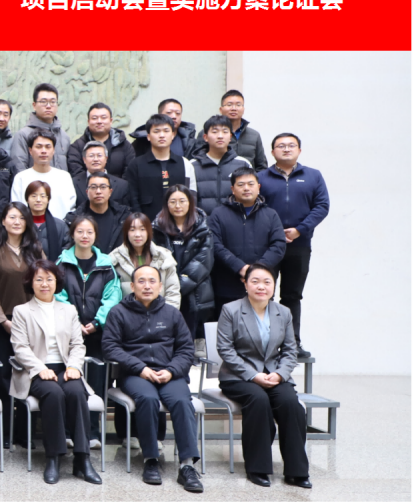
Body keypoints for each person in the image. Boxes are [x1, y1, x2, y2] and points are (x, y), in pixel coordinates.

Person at [102, 265, 203, 493]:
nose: (147, 286)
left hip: (169, 373)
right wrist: (140, 368)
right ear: (132, 285)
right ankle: (150, 459)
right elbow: (110, 347)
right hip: (135, 374)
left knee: (181, 401)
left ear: (160, 285)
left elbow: (186, 349)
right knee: (147, 399)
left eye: (152, 281)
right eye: (141, 281)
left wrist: (172, 370)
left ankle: (187, 466)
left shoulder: (172, 313)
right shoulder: (118, 312)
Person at [215, 264, 311, 489]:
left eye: (267, 282)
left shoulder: (283, 312)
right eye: (255, 281)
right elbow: (225, 350)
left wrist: (279, 374)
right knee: (258, 400)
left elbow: (290, 350)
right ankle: (257, 468)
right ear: (245, 284)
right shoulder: (231, 310)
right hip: (238, 376)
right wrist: (253, 375)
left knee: (291, 404)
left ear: (274, 286)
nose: (261, 286)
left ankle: (297, 471)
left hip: (274, 375)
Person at [10, 259, 103, 485]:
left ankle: (82, 459)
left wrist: (74, 366)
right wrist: (40, 369)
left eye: (49, 279)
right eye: (39, 279)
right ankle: (53, 457)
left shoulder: (68, 310)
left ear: (56, 282)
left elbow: (78, 344)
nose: (44, 284)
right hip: (35, 370)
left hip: (65, 367)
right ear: (31, 283)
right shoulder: (22, 311)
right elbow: (20, 348)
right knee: (53, 393)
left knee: (76, 392)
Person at [0, 202, 47, 448]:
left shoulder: (36, 251)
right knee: (3, 377)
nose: (17, 221)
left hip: (33, 323)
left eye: (21, 217)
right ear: (3, 221)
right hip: (2, 324)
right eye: (12, 217)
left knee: (29, 374)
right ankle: (1, 433)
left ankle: (25, 433)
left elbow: (45, 284)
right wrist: (4, 321)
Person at [258, 133, 330, 358]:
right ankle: (264, 344)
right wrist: (274, 231)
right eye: (281, 146)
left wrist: (300, 229)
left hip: (299, 245)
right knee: (263, 295)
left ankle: (292, 344)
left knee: (292, 296)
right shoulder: (261, 177)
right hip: (268, 246)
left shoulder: (313, 176)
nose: (286, 149)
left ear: (299, 150)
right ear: (272, 152)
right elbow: (255, 207)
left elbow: (322, 206)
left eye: (291, 145)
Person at [54, 214, 121, 448]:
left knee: (96, 382)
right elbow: (57, 293)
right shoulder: (62, 262)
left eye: (89, 232)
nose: (84, 236)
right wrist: (75, 323)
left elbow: (113, 296)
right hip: (68, 334)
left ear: (95, 235)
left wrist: (97, 322)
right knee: (69, 381)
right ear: (72, 234)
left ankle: (92, 432)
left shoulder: (106, 264)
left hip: (97, 334)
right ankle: (67, 432)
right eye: (80, 231)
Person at [207, 168, 286, 310]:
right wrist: (240, 267)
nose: (246, 188)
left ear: (258, 187)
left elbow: (279, 245)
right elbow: (215, 245)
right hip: (227, 285)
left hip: (261, 288)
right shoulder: (218, 214)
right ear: (232, 189)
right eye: (241, 184)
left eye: (251, 184)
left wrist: (256, 271)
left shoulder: (271, 214)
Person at [153, 186, 214, 358]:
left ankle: (187, 357)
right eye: (172, 201)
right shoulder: (157, 227)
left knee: (189, 325)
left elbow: (204, 260)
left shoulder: (202, 227)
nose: (177, 206)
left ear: (190, 203)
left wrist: (178, 285)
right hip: (165, 286)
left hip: (194, 287)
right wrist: (170, 285)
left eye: (182, 201)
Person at [124, 114, 198, 221]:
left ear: (173, 135)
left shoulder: (185, 163)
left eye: (166, 131)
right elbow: (133, 199)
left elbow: (192, 196)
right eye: (156, 131)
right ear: (148, 136)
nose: (162, 135)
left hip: (179, 224)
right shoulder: (136, 165)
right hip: (147, 224)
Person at [110, 213, 182, 306]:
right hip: (126, 313)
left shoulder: (164, 256)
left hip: (161, 312)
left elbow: (173, 292)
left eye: (142, 229)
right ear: (126, 232)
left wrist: (166, 314)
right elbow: (110, 296)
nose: (137, 234)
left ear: (149, 231)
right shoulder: (114, 258)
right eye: (132, 230)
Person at [192, 115, 253, 215]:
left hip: (235, 221)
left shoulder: (243, 163)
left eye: (225, 131)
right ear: (205, 137)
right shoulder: (193, 165)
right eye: (215, 132)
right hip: (203, 222)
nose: (220, 136)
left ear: (230, 137)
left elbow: (251, 196)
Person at [11, 129, 76, 220]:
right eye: (39, 147)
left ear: (53, 150)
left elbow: (71, 208)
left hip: (60, 227)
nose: (43, 151)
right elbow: (17, 208)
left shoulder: (64, 177)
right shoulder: (21, 177)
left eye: (48, 147)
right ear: (30, 150)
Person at [65, 171, 133, 255]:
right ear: (87, 192)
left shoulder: (124, 216)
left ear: (110, 192)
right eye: (93, 187)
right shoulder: (74, 219)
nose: (98, 191)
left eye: (103, 187)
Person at [10, 83, 70, 171]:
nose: (48, 106)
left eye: (53, 102)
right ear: (34, 105)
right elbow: (19, 168)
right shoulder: (23, 135)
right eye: (43, 102)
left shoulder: (64, 136)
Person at [202, 90, 268, 170]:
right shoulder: (208, 133)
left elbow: (261, 166)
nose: (234, 108)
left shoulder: (254, 135)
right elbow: (200, 159)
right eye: (229, 105)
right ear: (221, 109)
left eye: (238, 105)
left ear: (243, 109)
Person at [67, 103, 135, 179]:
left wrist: (115, 186)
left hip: (119, 186)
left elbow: (129, 173)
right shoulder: (77, 147)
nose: (99, 121)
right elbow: (77, 176)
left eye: (103, 117)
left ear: (111, 121)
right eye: (94, 118)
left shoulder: (125, 146)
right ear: (88, 121)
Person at [70, 141, 134, 210]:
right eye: (91, 156)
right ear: (84, 160)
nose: (95, 159)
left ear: (106, 158)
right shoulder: (72, 183)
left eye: (99, 155)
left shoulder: (122, 185)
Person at [132, 98, 203, 159]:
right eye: (169, 112)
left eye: (178, 113)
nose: (174, 116)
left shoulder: (189, 141)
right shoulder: (142, 140)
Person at [23, 181, 71, 263]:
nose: (38, 200)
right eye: (34, 196)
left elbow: (67, 252)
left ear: (48, 199)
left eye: (42, 196)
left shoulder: (60, 226)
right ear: (27, 199)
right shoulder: (20, 224)